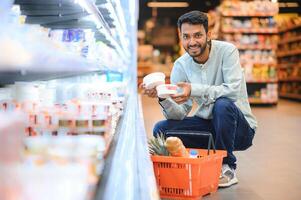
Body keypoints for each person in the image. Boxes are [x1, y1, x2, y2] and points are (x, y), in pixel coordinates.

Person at [141, 11, 257, 188]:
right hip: (209, 128)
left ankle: (226, 167)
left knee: (223, 104)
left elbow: (233, 92)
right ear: (181, 37)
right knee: (161, 129)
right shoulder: (181, 65)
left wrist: (193, 90)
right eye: (186, 36)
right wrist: (163, 97)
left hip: (239, 130)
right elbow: (179, 114)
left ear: (208, 35)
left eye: (198, 35)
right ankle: (176, 167)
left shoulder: (227, 51)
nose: (192, 42)